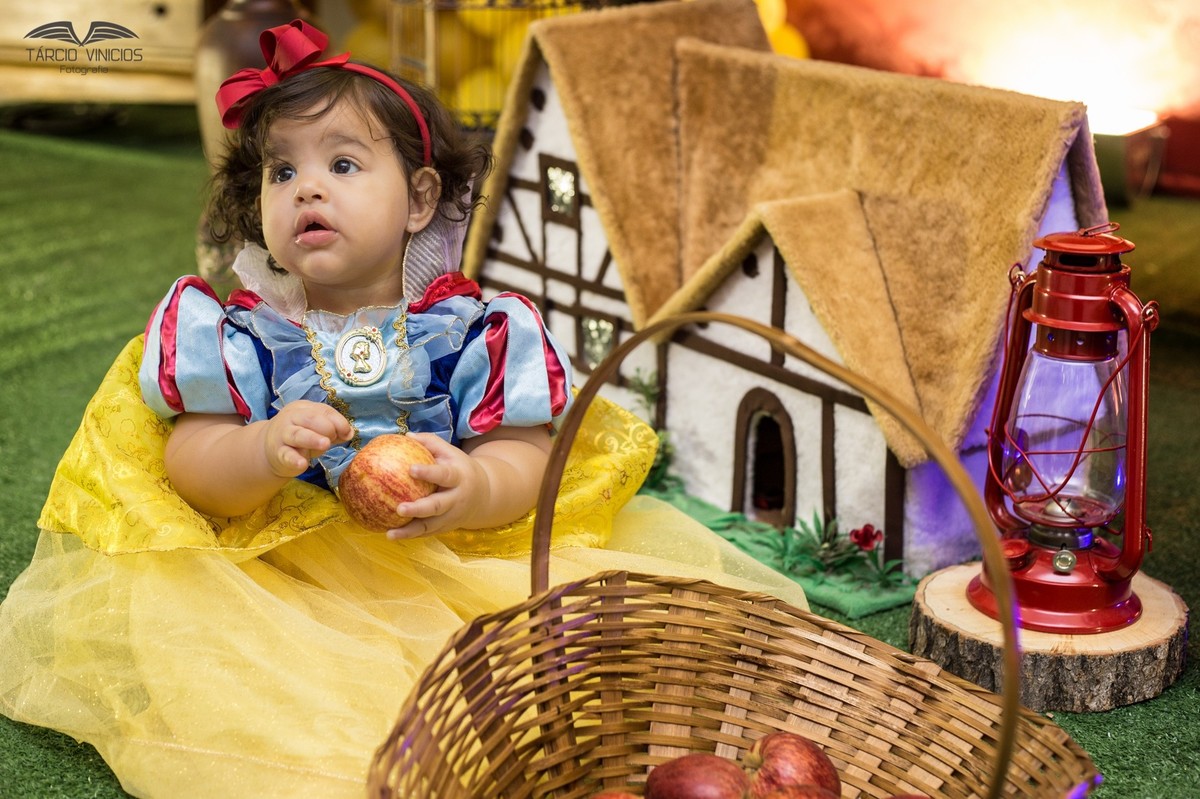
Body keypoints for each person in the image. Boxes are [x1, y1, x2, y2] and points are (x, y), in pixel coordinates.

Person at [0, 21, 806, 799]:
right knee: (290, 694)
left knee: (561, 670)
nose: (307, 186)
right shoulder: (244, 334)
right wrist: (260, 451)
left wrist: (477, 484)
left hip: (453, 563)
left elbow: (527, 452)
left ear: (421, 199)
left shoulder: (469, 330)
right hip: (288, 577)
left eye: (344, 164)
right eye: (281, 174)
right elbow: (190, 466)